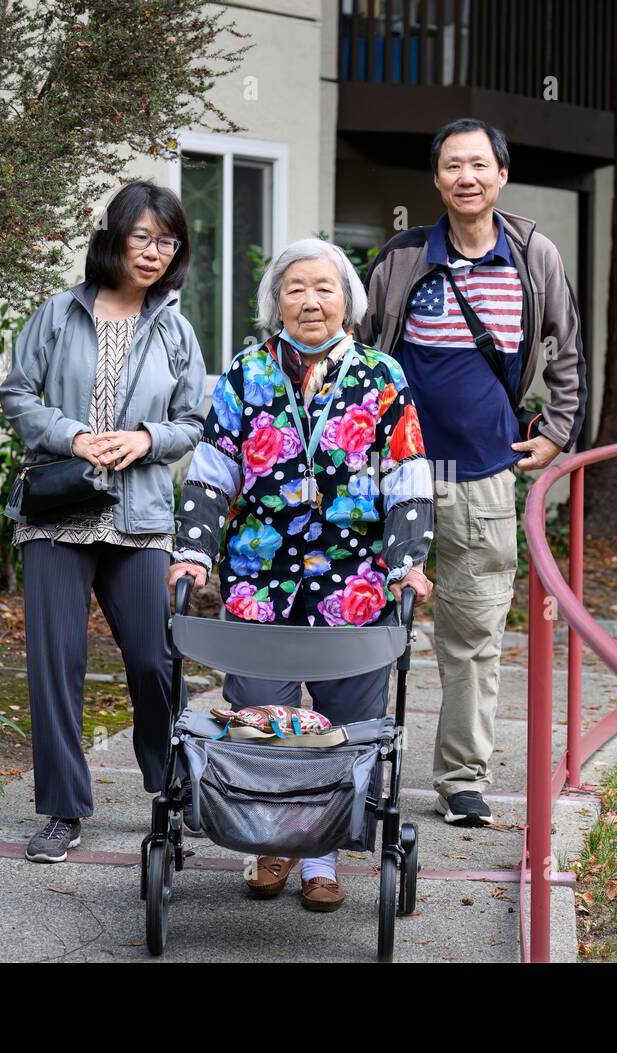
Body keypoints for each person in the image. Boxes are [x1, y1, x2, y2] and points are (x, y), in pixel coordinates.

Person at [169, 237, 434, 911]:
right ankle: (270, 841)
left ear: (348, 299)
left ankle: (322, 856)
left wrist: (409, 563)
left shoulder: (382, 375)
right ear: (275, 301)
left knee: (346, 723)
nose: (310, 300)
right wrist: (193, 550)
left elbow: (405, 474)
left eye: (325, 287)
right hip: (261, 576)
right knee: (260, 716)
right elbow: (212, 471)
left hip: (356, 575)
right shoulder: (245, 373)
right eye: (295, 288)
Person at [358, 118, 587, 827]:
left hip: (486, 477)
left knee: (473, 636)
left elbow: (568, 351)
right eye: (453, 164)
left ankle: (461, 780)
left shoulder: (532, 255)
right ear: (436, 179)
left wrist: (556, 431)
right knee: (364, 624)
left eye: (479, 164)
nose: (466, 176)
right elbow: (358, 355)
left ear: (501, 175)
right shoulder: (400, 258)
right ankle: (358, 767)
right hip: (397, 475)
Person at [0, 179, 207, 863]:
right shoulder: (57, 314)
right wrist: (71, 435)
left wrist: (146, 439)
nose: (154, 251)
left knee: (155, 659)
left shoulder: (175, 328)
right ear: (114, 237)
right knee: (57, 663)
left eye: (167, 239)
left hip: (140, 515)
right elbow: (17, 394)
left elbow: (192, 421)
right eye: (142, 235)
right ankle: (62, 808)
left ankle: (170, 788)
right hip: (58, 512)